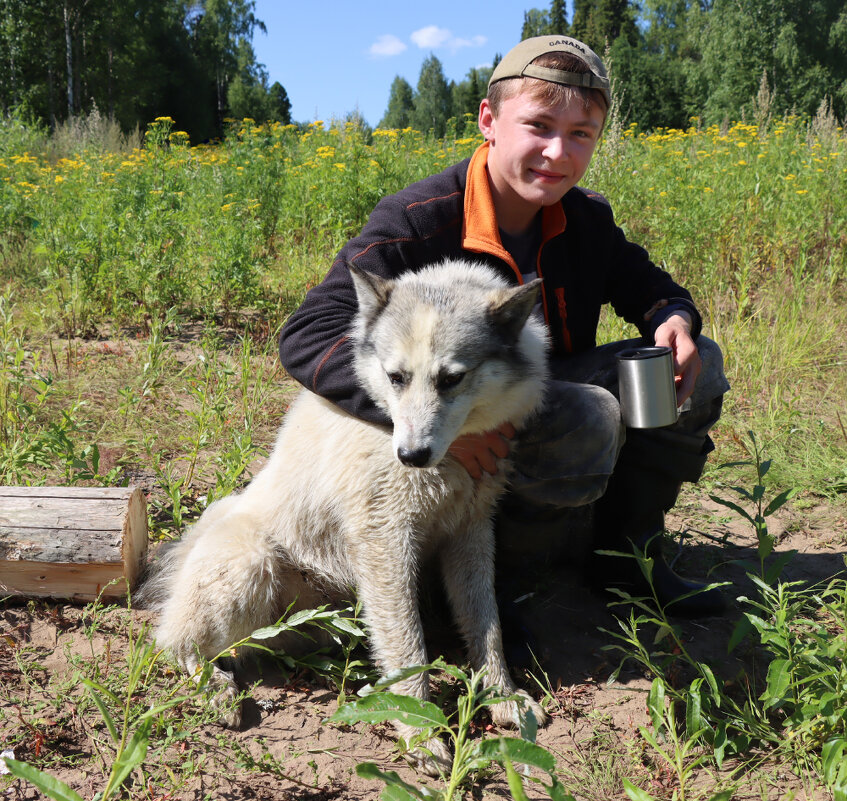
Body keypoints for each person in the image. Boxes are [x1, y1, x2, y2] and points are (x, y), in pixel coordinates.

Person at [278, 36, 730, 631]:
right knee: (586, 416)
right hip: (456, 415)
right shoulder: (419, 220)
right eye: (538, 125)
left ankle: (627, 557)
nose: (556, 152)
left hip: (522, 391)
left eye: (580, 134)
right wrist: (429, 422)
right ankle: (509, 587)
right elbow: (308, 332)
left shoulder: (585, 218)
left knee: (699, 372)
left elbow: (645, 284)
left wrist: (673, 318)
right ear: (489, 120)